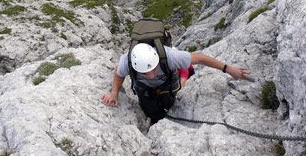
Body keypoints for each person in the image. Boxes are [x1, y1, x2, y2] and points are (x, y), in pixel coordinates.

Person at [101, 43, 250, 124]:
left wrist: (228, 69)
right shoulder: (126, 62)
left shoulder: (170, 56)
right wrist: (114, 93)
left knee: (169, 102)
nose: (152, 75)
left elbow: (201, 59)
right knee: (150, 111)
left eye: (153, 69)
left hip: (167, 84)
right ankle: (155, 120)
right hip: (144, 88)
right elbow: (118, 73)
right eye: (145, 73)